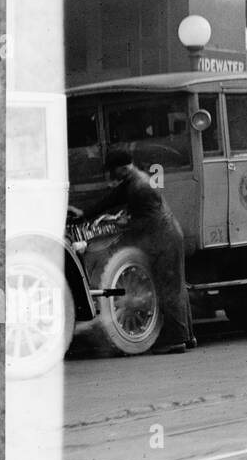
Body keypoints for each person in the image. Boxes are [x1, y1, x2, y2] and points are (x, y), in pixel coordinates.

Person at [84, 148, 195, 354]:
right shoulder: (133, 181)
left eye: (113, 171)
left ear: (123, 168)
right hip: (167, 236)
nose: (111, 176)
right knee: (176, 285)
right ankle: (187, 337)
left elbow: (147, 220)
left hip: (165, 239)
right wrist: (84, 215)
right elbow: (109, 201)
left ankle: (175, 340)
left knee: (168, 287)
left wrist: (124, 224)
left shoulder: (139, 187)